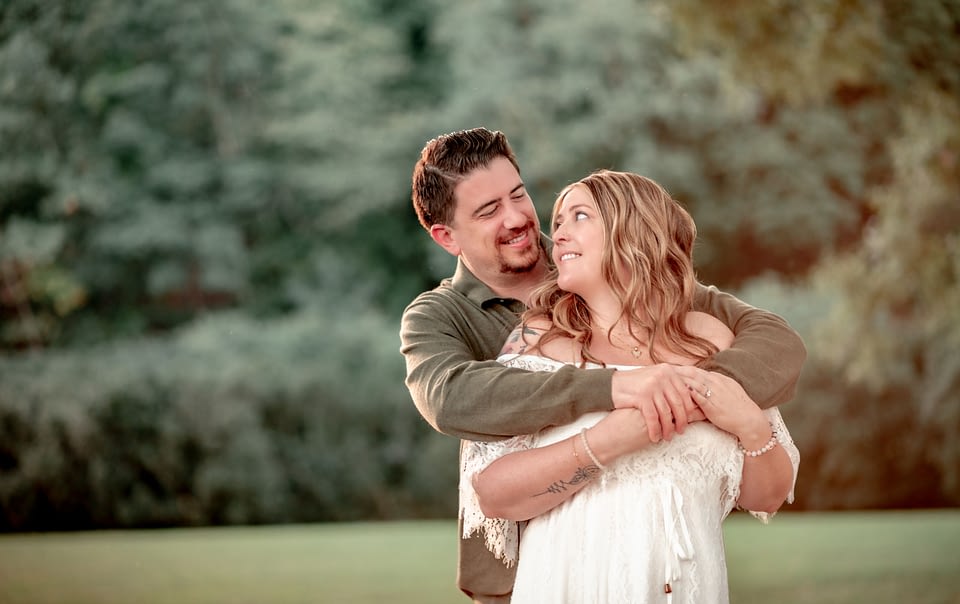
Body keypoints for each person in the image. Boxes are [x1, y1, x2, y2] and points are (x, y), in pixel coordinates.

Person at [400, 127, 806, 603]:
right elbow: (450, 398)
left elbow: (777, 343)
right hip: (534, 577)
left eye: (518, 194)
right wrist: (617, 390)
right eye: (488, 211)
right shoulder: (441, 316)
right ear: (446, 236)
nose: (517, 218)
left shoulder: (620, 274)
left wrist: (697, 396)